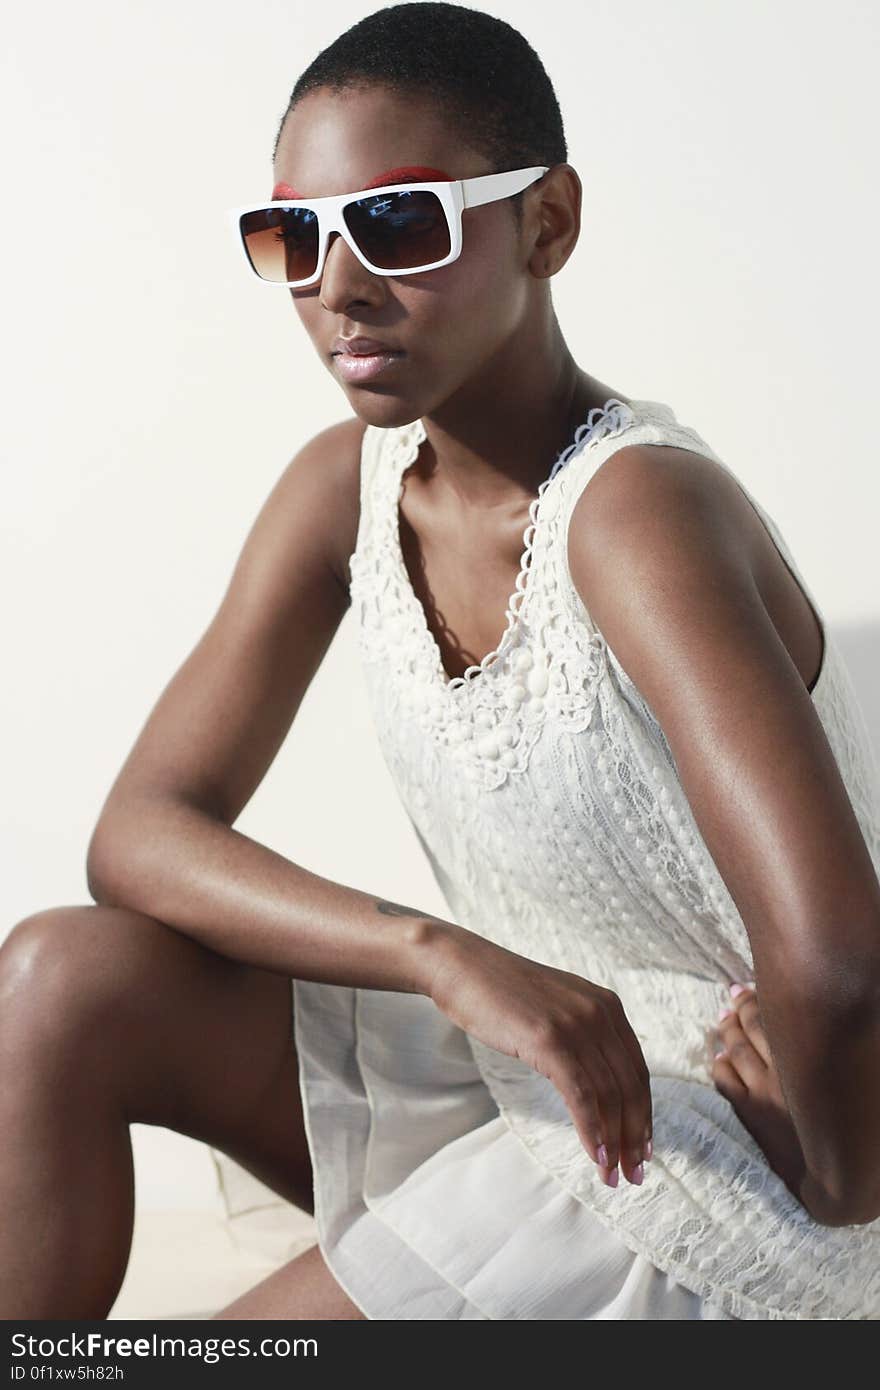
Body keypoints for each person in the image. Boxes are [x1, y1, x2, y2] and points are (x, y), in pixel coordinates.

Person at [3, 1, 880, 1321]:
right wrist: (436, 950)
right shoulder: (343, 490)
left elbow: (838, 967)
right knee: (58, 978)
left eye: (399, 222)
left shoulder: (635, 512)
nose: (338, 286)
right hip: (521, 1056)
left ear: (549, 223)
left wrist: (839, 1179)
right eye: (292, 238)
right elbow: (139, 831)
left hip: (710, 1144)